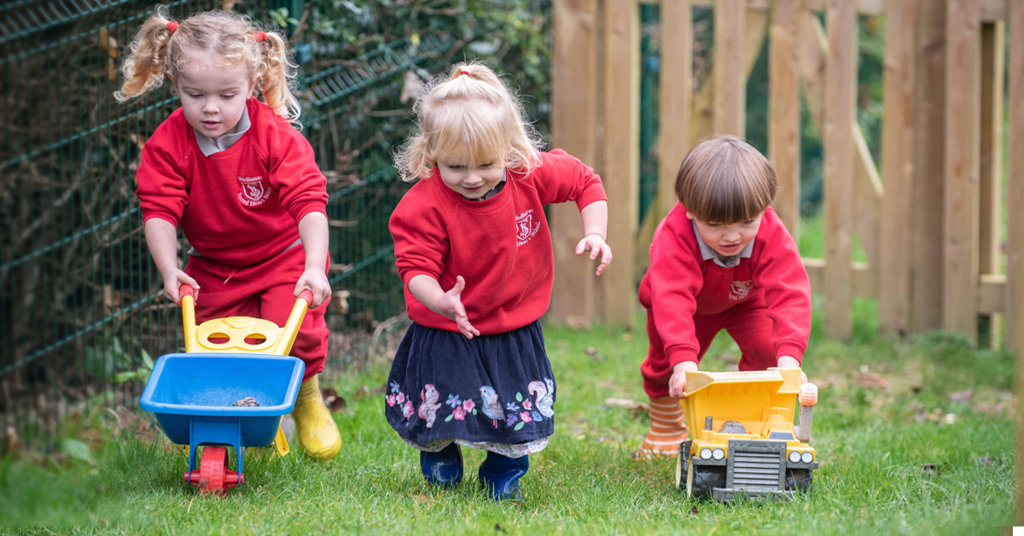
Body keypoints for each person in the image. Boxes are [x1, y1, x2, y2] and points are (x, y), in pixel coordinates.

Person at [115, 8, 341, 460]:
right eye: (195, 95)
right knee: (215, 343)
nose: (211, 107)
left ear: (252, 85)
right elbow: (158, 210)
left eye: (226, 94)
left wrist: (315, 266)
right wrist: (169, 267)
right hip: (215, 266)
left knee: (296, 333)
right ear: (175, 85)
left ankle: (307, 397)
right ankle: (236, 418)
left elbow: (309, 201)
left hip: (285, 256)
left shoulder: (274, 136)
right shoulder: (167, 144)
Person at [385, 62, 613, 501]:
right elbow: (414, 269)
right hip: (449, 325)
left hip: (513, 323)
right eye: (455, 167)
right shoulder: (424, 206)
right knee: (443, 403)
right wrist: (440, 299)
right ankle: (442, 456)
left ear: (508, 149)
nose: (472, 178)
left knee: (515, 408)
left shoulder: (528, 172)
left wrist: (595, 233)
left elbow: (586, 182)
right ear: (432, 154)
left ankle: (503, 473)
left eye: (486, 164)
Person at [636, 135, 811, 457]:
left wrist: (789, 359)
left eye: (747, 222)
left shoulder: (770, 231)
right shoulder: (673, 235)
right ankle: (667, 428)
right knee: (666, 367)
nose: (732, 236)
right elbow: (672, 299)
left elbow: (790, 292)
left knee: (767, 355)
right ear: (689, 211)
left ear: (764, 209)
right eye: (715, 225)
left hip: (746, 303)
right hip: (682, 310)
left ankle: (756, 430)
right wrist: (684, 361)